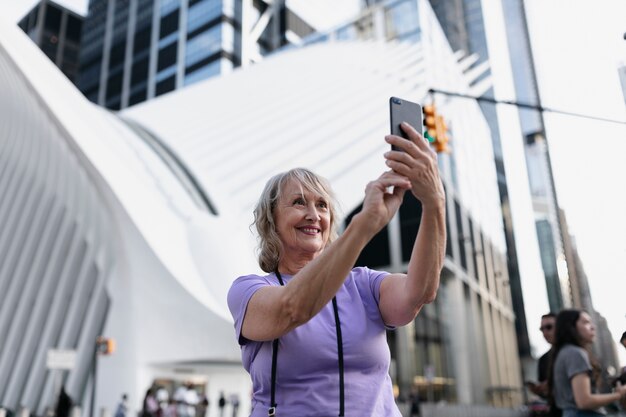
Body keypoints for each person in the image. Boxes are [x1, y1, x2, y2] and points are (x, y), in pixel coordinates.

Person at [227, 122, 446, 416]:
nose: (313, 215)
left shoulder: (364, 284)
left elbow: (418, 293)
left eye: (322, 205)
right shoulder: (249, 290)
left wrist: (434, 203)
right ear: (271, 221)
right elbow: (292, 308)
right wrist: (364, 226)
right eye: (298, 202)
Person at [548, 309, 626, 417]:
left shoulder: (563, 352)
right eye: (585, 322)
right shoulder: (575, 353)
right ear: (571, 327)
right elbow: (584, 401)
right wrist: (618, 394)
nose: (593, 327)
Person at [527, 313, 561, 416]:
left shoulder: (572, 352)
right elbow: (546, 396)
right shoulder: (543, 359)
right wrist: (538, 390)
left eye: (549, 327)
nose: (545, 332)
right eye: (542, 329)